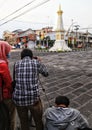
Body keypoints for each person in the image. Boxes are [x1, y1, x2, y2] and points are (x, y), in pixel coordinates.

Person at [12, 48, 49, 130]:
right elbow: (46, 73)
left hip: (19, 99)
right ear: (32, 56)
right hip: (33, 99)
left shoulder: (16, 64)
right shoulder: (36, 62)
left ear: (21, 56)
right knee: (38, 120)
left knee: (23, 121)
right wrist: (39, 61)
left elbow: (15, 78)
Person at [0, 41, 16, 130]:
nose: (9, 53)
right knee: (11, 114)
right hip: (5, 95)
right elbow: (8, 82)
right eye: (8, 50)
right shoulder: (2, 65)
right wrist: (12, 90)